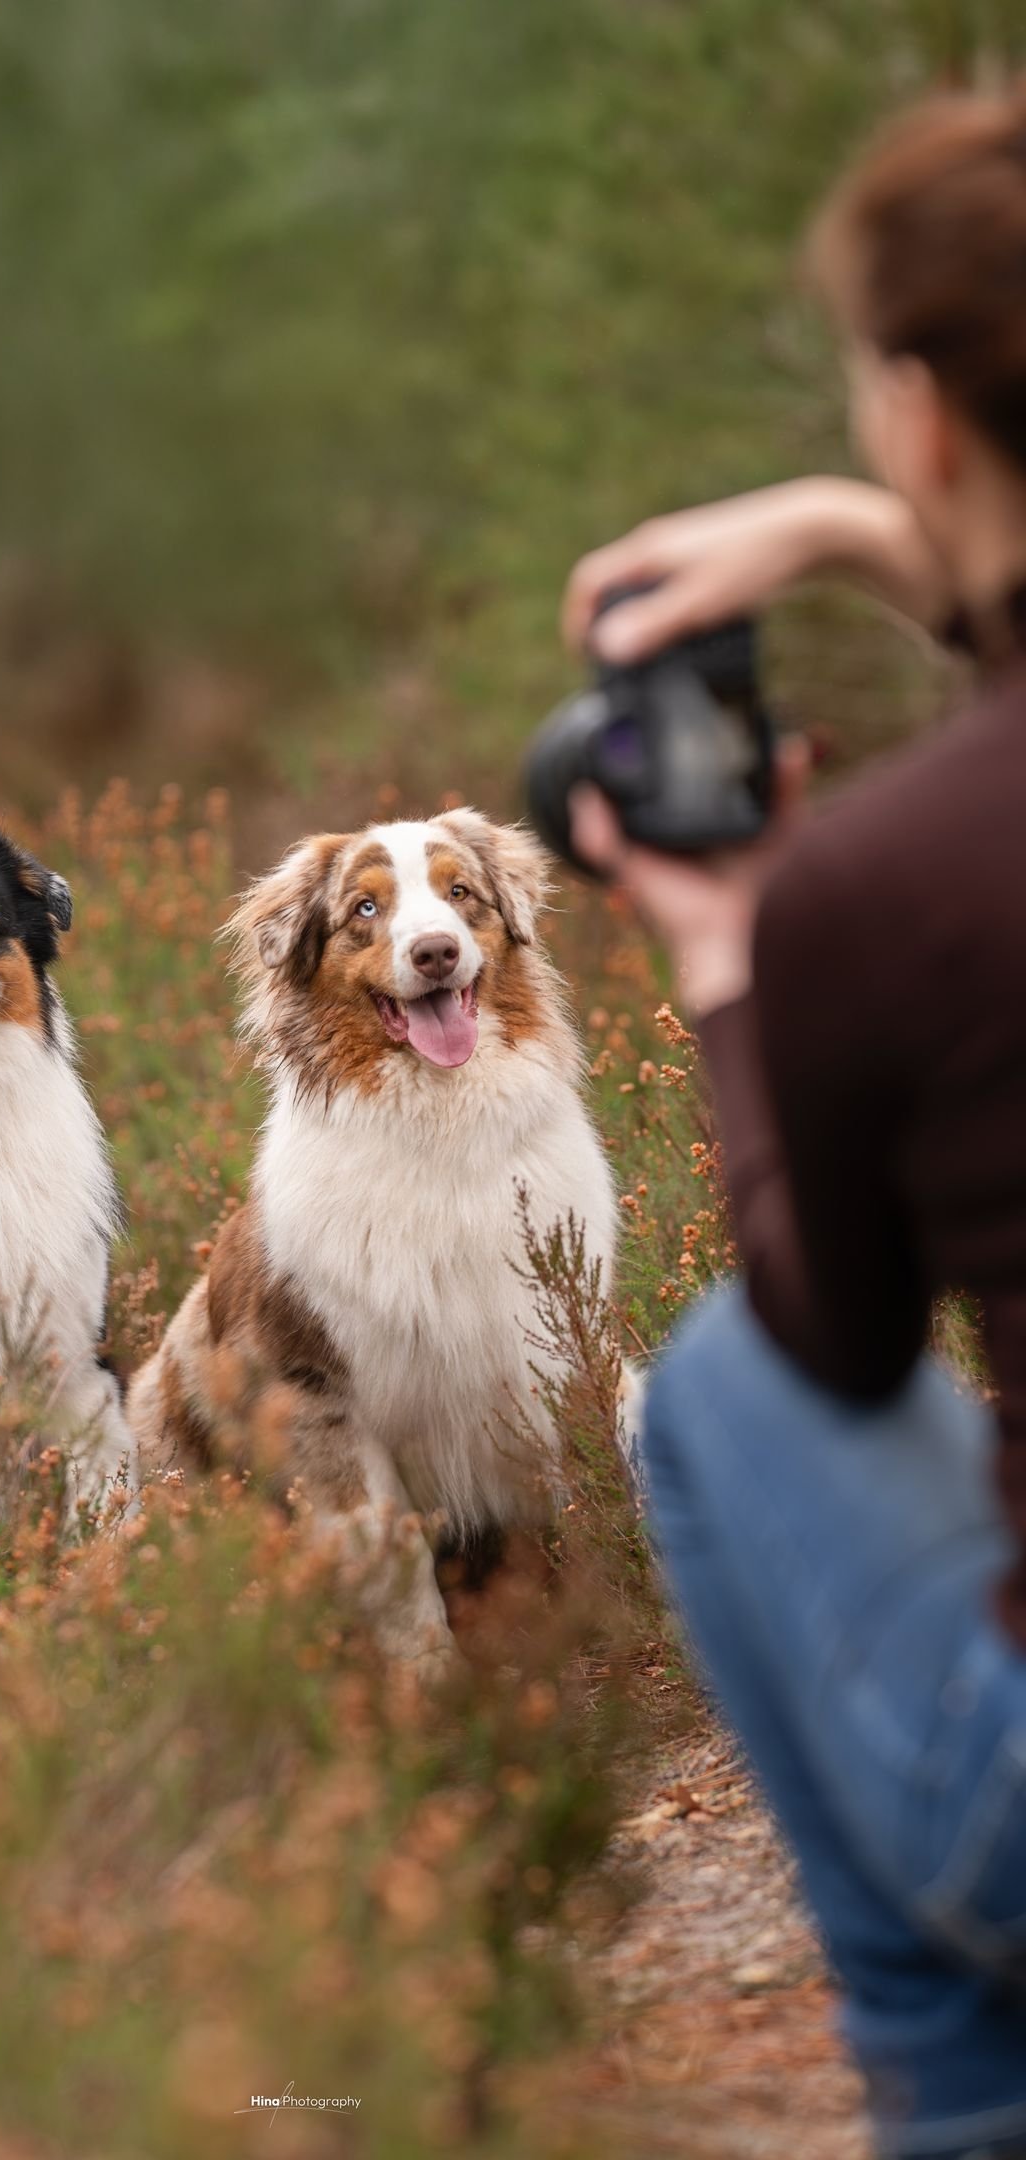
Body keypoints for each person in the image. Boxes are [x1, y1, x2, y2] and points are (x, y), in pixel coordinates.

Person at [561, 83, 1026, 2160]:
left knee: (732, 1387)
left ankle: (954, 2103)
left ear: (927, 412)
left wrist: (738, 955)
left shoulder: (898, 881)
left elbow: (837, 1332)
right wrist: (873, 544)